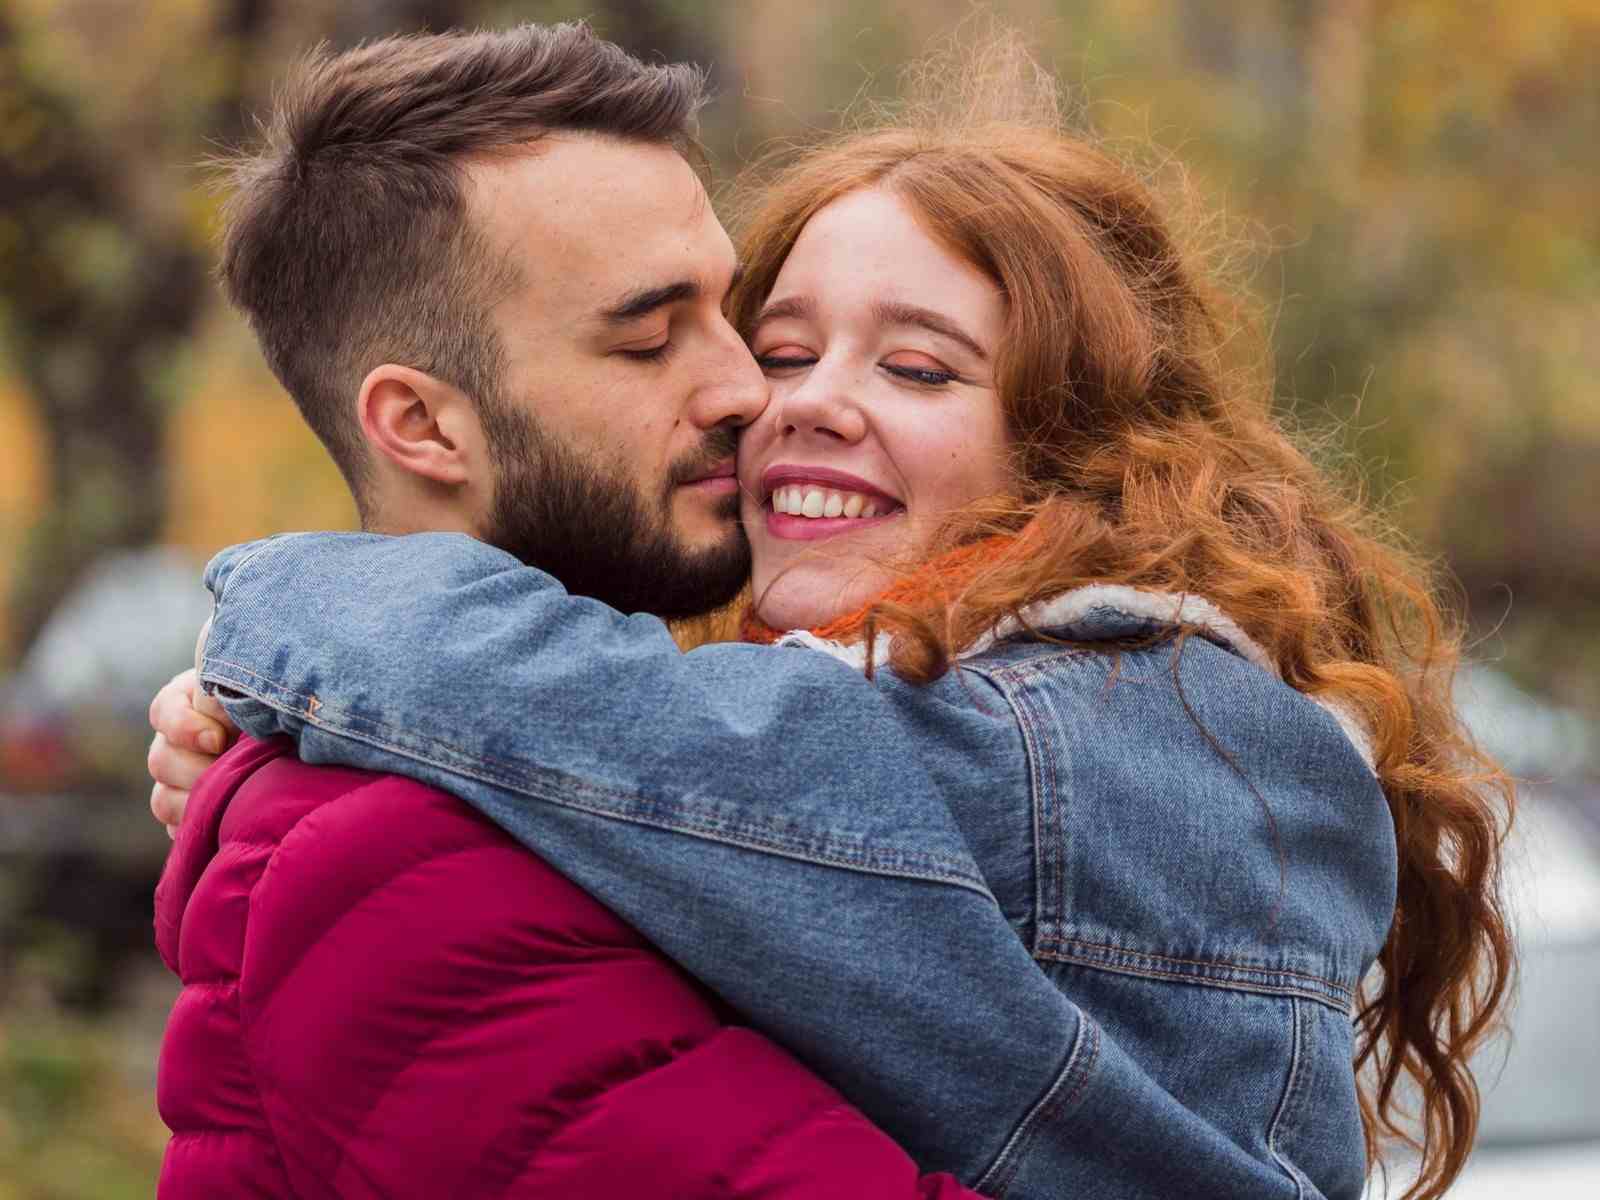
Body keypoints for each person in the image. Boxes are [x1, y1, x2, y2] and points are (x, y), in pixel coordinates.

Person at [150, 24, 1516, 1200]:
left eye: (919, 367)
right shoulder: (432, 845)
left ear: (1072, 445)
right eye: (771, 341)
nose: (767, 396)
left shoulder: (1097, 722)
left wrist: (267, 627)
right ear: (415, 423)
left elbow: (628, 731)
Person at [142, 24, 982, 1199]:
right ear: (424, 427)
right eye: (647, 339)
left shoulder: (588, 775)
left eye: (732, 316)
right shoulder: (393, 876)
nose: (745, 387)